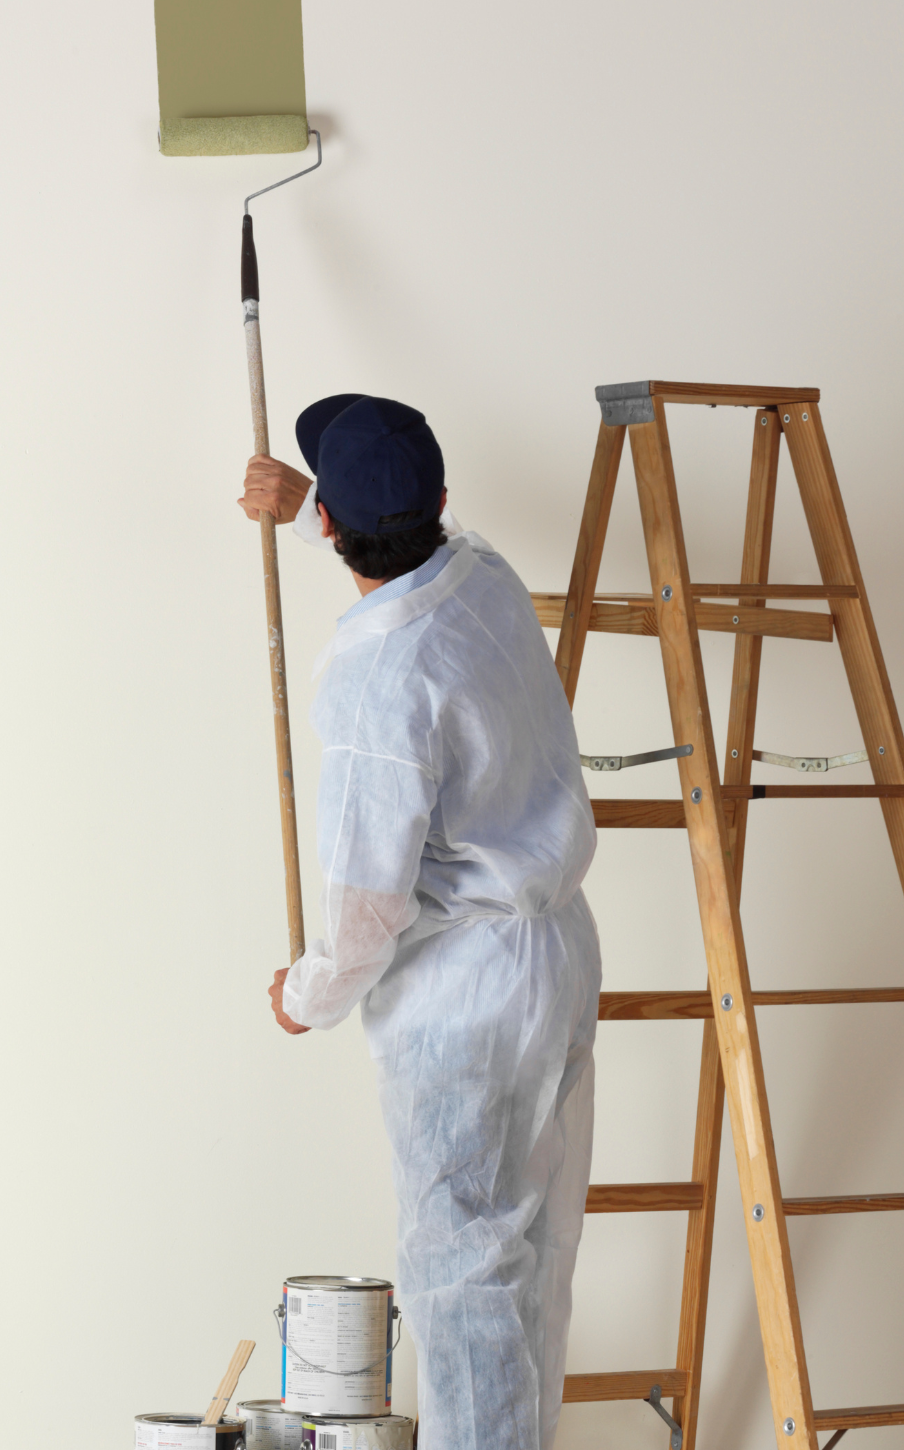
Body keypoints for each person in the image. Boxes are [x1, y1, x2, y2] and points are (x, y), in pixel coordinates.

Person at [238, 395, 601, 1450]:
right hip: (556, 952)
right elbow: (405, 551)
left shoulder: (373, 678)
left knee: (463, 1278)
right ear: (440, 500)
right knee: (533, 1260)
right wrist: (316, 510)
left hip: (464, 999)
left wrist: (306, 996)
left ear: (349, 529)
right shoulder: (481, 576)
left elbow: (366, 908)